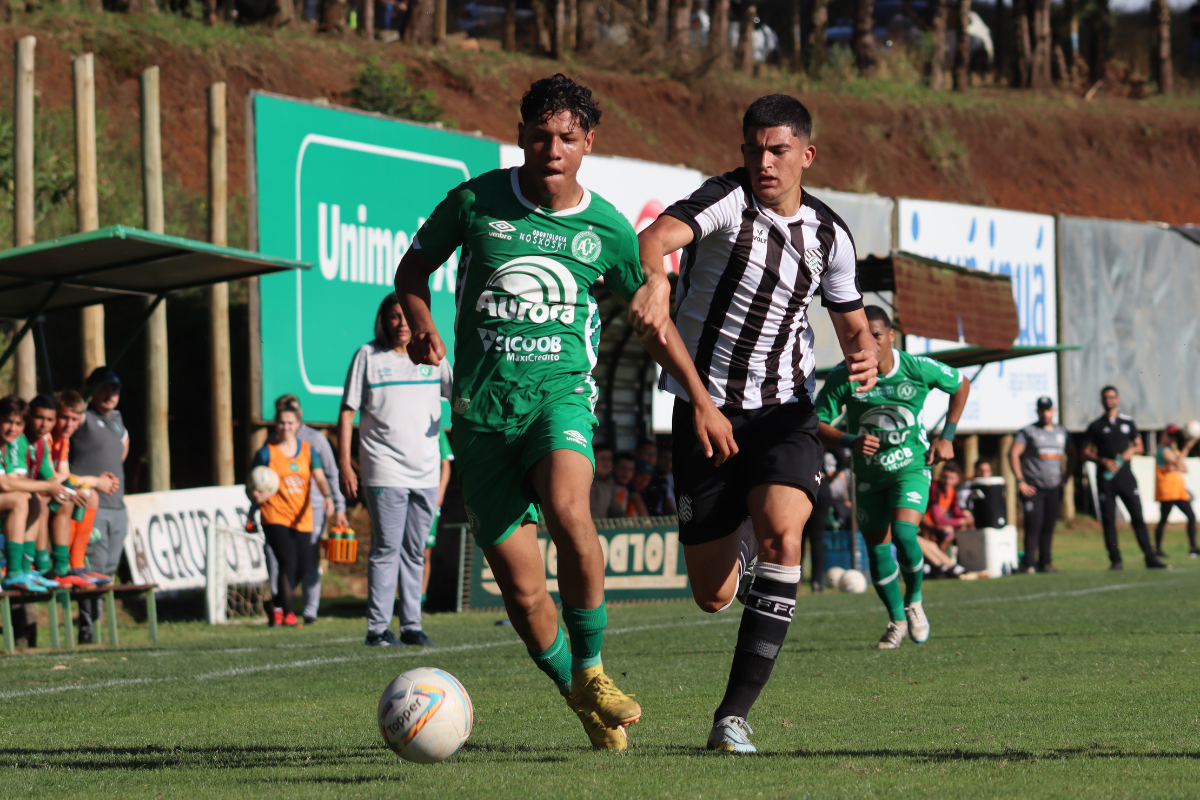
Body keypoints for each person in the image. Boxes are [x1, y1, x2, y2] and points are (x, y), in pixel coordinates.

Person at [395, 74, 734, 751]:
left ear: (588, 143)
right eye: (541, 135)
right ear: (521, 135)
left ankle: (594, 670)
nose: (553, 148)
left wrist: (701, 399)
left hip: (560, 397)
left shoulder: (606, 228)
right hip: (482, 416)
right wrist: (422, 320)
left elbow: (654, 325)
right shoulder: (475, 202)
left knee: (570, 509)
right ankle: (578, 698)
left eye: (568, 138)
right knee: (523, 597)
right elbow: (412, 270)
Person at [638, 93, 878, 753]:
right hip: (702, 410)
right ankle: (741, 537)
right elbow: (656, 237)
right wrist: (656, 278)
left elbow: (853, 322)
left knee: (786, 538)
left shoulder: (830, 234)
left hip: (783, 411)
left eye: (777, 150)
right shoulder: (724, 200)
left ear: (807, 154)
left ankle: (731, 718)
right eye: (752, 149)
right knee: (713, 595)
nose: (763, 162)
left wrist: (867, 356)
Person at [815, 305, 969, 650]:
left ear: (891, 336)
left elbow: (961, 384)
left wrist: (947, 436)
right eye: (862, 335)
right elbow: (817, 423)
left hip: (910, 468)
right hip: (868, 477)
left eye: (877, 335)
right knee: (879, 551)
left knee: (903, 533)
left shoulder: (915, 368)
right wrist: (850, 440)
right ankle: (897, 620)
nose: (869, 343)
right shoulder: (846, 375)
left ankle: (914, 600)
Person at [339, 294, 452, 648]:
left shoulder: (432, 357)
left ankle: (412, 626)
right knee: (387, 548)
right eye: (393, 316)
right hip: (385, 470)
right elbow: (347, 412)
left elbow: (461, 395)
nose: (402, 323)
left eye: (406, 316)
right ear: (382, 321)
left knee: (415, 551)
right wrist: (345, 461)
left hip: (427, 472)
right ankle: (377, 629)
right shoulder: (368, 356)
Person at [249, 400, 335, 628]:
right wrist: (254, 500)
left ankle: (275, 604)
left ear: (298, 424)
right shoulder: (267, 452)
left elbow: (320, 477)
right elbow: (251, 484)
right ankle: (287, 614)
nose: (285, 426)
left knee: (302, 565)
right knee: (287, 562)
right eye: (281, 422)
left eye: (289, 423)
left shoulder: (309, 451)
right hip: (274, 515)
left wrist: (328, 496)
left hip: (303, 518)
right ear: (276, 425)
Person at [265, 394, 347, 625]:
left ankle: (309, 611)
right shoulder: (271, 442)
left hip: (311, 510)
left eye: (291, 412)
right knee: (277, 560)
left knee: (307, 561)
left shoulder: (314, 441)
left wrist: (338, 505)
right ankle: (280, 607)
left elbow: (329, 474)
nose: (286, 420)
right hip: (279, 511)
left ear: (299, 415)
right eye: (282, 412)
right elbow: (260, 477)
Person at [70, 367, 133, 644]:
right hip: (93, 508)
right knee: (91, 570)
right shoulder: (82, 417)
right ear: (93, 390)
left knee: (107, 570)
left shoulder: (118, 420)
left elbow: (122, 449)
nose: (110, 394)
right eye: (104, 388)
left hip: (118, 508)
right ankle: (86, 629)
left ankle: (97, 625)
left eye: (115, 389)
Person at [1083, 386, 1165, 570]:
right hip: (1106, 480)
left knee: (1137, 516)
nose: (1109, 401)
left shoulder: (1127, 422)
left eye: (1112, 397)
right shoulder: (1095, 426)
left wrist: (1131, 450)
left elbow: (1140, 446)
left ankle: (1150, 557)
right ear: (1101, 400)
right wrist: (1101, 460)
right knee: (1109, 520)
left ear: (1118, 399)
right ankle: (1115, 560)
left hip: (1126, 477)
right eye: (1105, 398)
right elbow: (1085, 452)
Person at [0, 395, 66, 592]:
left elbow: (14, 479)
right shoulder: (15, 444)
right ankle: (14, 572)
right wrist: (45, 488)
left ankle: (25, 569)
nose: (13, 429)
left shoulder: (5, 444)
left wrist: (84, 484)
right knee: (21, 499)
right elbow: (4, 484)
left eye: (18, 424)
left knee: (33, 500)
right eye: (7, 422)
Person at [52, 390, 115, 585]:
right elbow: (54, 478)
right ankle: (62, 566)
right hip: (40, 494)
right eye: (64, 418)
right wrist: (95, 481)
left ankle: (77, 564)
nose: (69, 424)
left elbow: (64, 474)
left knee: (89, 496)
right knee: (76, 496)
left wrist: (87, 485)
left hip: (51, 492)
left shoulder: (64, 439)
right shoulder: (47, 437)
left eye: (74, 419)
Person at [1011, 396, 1075, 574]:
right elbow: (1014, 453)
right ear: (1038, 411)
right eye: (1042, 410)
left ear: (1053, 411)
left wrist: (1066, 476)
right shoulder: (1029, 431)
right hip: (1033, 487)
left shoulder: (1061, 432)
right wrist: (1020, 480)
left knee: (1049, 525)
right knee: (1033, 524)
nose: (1046, 413)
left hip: (1053, 487)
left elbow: (1073, 454)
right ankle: (1028, 563)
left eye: (1048, 410)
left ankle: (1045, 563)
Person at [422, 427, 454, 608]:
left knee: (424, 553)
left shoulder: (436, 429)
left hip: (429, 499)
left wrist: (439, 493)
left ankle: (420, 600)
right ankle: (404, 600)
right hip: (408, 495)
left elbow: (446, 464)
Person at [1154, 424, 1197, 557]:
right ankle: (1158, 549)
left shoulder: (1174, 451)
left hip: (1179, 491)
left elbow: (1184, 468)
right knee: (1163, 520)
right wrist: (1186, 448)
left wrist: (1178, 463)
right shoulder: (1162, 450)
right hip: (1167, 491)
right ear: (1164, 434)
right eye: (1170, 435)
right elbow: (1179, 464)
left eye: (1175, 436)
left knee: (1191, 517)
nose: (1172, 438)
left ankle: (1193, 547)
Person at [923, 461, 974, 552]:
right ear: (940, 476)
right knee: (948, 531)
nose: (947, 481)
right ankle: (939, 561)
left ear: (957, 479)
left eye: (951, 478)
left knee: (962, 526)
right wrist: (962, 521)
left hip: (937, 524)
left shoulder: (952, 491)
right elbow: (937, 520)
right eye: (945, 477)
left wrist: (967, 518)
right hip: (926, 523)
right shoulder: (935, 488)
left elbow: (956, 512)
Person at [589, 444, 623, 519]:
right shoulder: (585, 482)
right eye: (602, 458)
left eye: (610, 459)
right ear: (592, 459)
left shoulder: (609, 485)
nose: (607, 463)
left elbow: (617, 512)